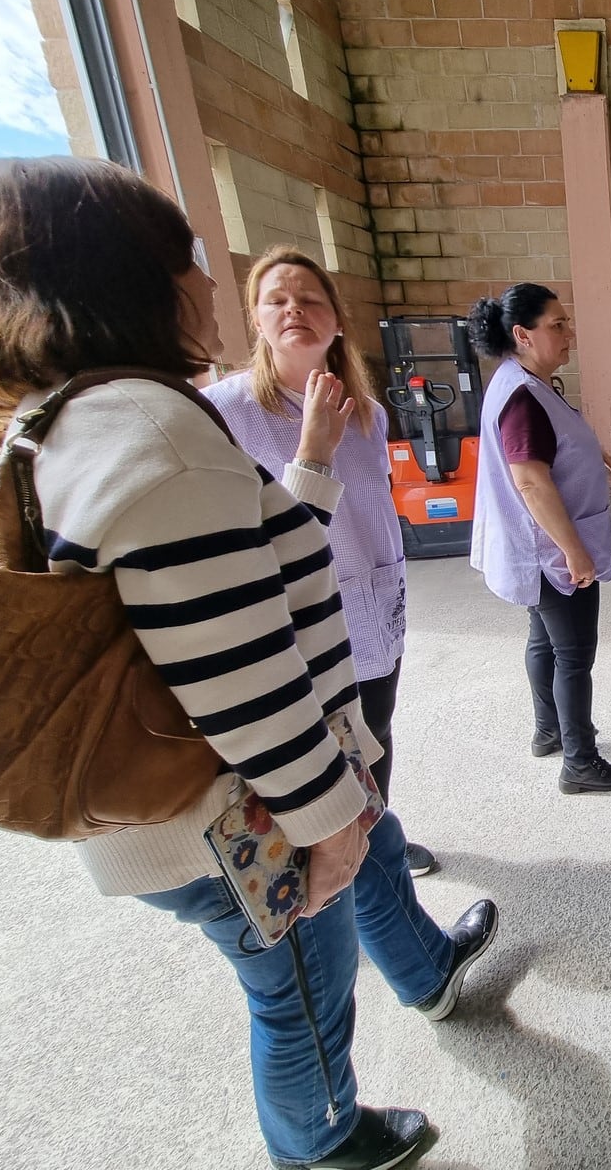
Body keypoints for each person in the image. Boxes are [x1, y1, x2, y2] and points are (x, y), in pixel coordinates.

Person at [0, 157, 499, 1170]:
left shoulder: (78, 417)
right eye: (191, 262)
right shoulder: (160, 428)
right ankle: (323, 1140)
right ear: (130, 276)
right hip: (229, 816)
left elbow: (238, 560)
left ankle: (419, 974)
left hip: (187, 809)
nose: (210, 286)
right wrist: (328, 824)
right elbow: (240, 674)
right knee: (297, 994)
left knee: (296, 970)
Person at [204, 247, 437, 878]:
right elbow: (249, 533)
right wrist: (311, 447)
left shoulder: (368, 411)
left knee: (375, 732)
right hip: (301, 618)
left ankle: (375, 841)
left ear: (335, 319)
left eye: (309, 299)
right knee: (316, 755)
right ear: (256, 320)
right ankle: (329, 874)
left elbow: (377, 508)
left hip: (376, 607)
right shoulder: (226, 412)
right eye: (276, 300)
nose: (293, 310)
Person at [467, 284, 611, 795]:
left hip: (533, 549)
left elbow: (552, 446)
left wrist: (594, 456)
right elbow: (531, 481)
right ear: (522, 335)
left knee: (544, 639)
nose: (569, 333)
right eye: (557, 325)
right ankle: (580, 761)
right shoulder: (522, 396)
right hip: (548, 551)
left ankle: (550, 732)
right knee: (574, 654)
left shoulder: (523, 380)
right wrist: (574, 550)